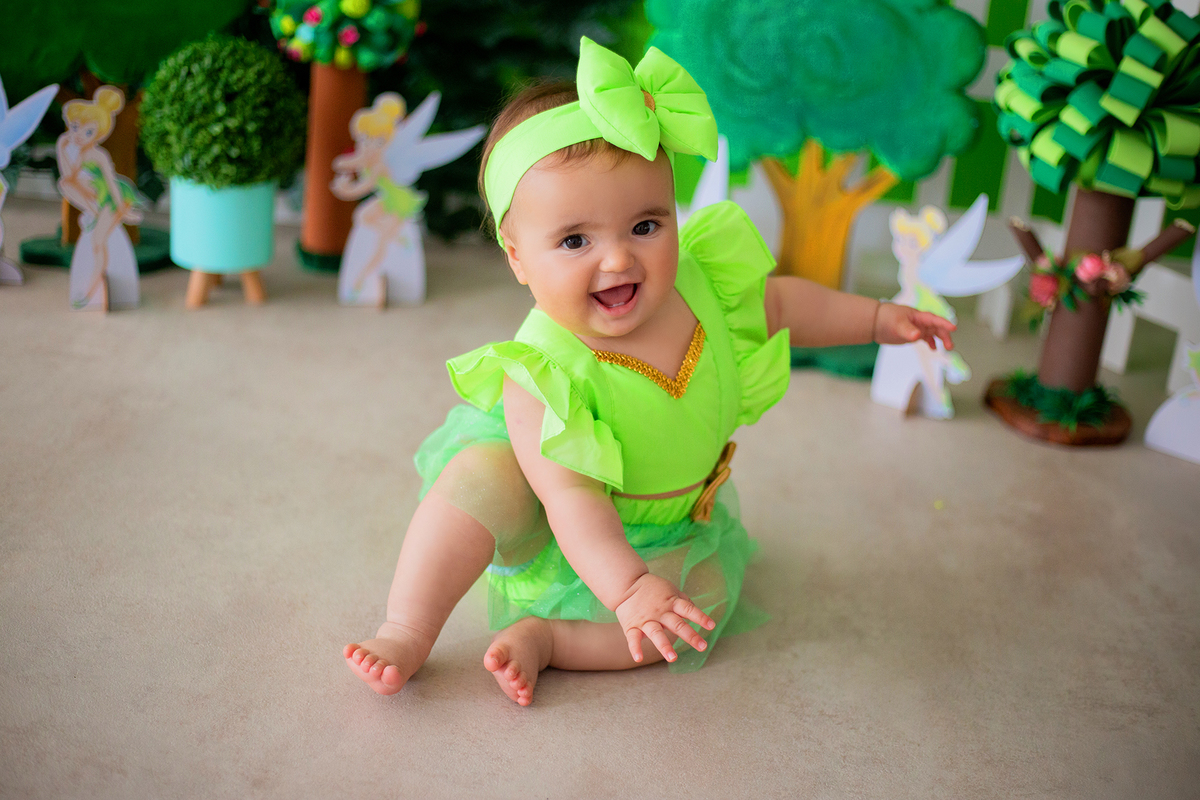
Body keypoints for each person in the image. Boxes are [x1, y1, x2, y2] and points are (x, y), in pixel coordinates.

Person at [345, 38, 956, 706]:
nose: (618, 261)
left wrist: (873, 320)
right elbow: (573, 500)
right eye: (575, 240)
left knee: (697, 617)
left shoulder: (699, 285)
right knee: (474, 482)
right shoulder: (541, 371)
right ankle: (406, 627)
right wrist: (628, 588)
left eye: (644, 225)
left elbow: (780, 302)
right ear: (518, 259)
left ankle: (549, 639)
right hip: (557, 515)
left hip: (666, 525)